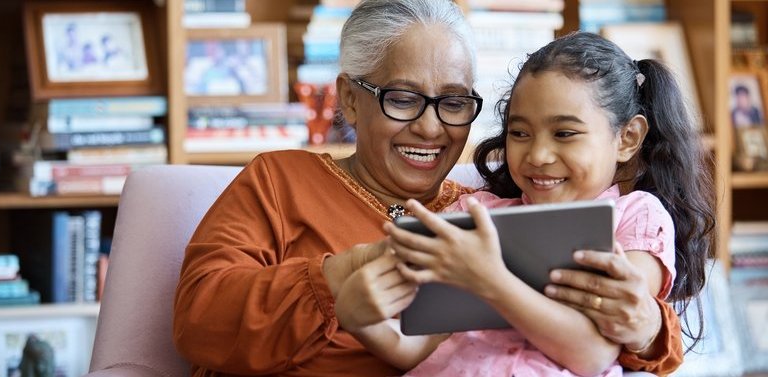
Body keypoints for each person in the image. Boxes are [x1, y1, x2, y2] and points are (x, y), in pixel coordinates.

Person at [173, 1, 685, 376]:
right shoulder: (279, 181)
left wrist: (648, 328)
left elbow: (615, 338)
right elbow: (200, 319)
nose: (432, 128)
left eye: (454, 102)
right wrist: (338, 277)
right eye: (403, 98)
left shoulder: (484, 213)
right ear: (349, 100)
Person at [346, 32, 714, 376]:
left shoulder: (635, 218)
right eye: (519, 133)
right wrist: (357, 316)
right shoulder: (474, 214)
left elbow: (593, 353)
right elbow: (417, 347)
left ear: (628, 138)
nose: (537, 155)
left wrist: (490, 280)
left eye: (565, 134)